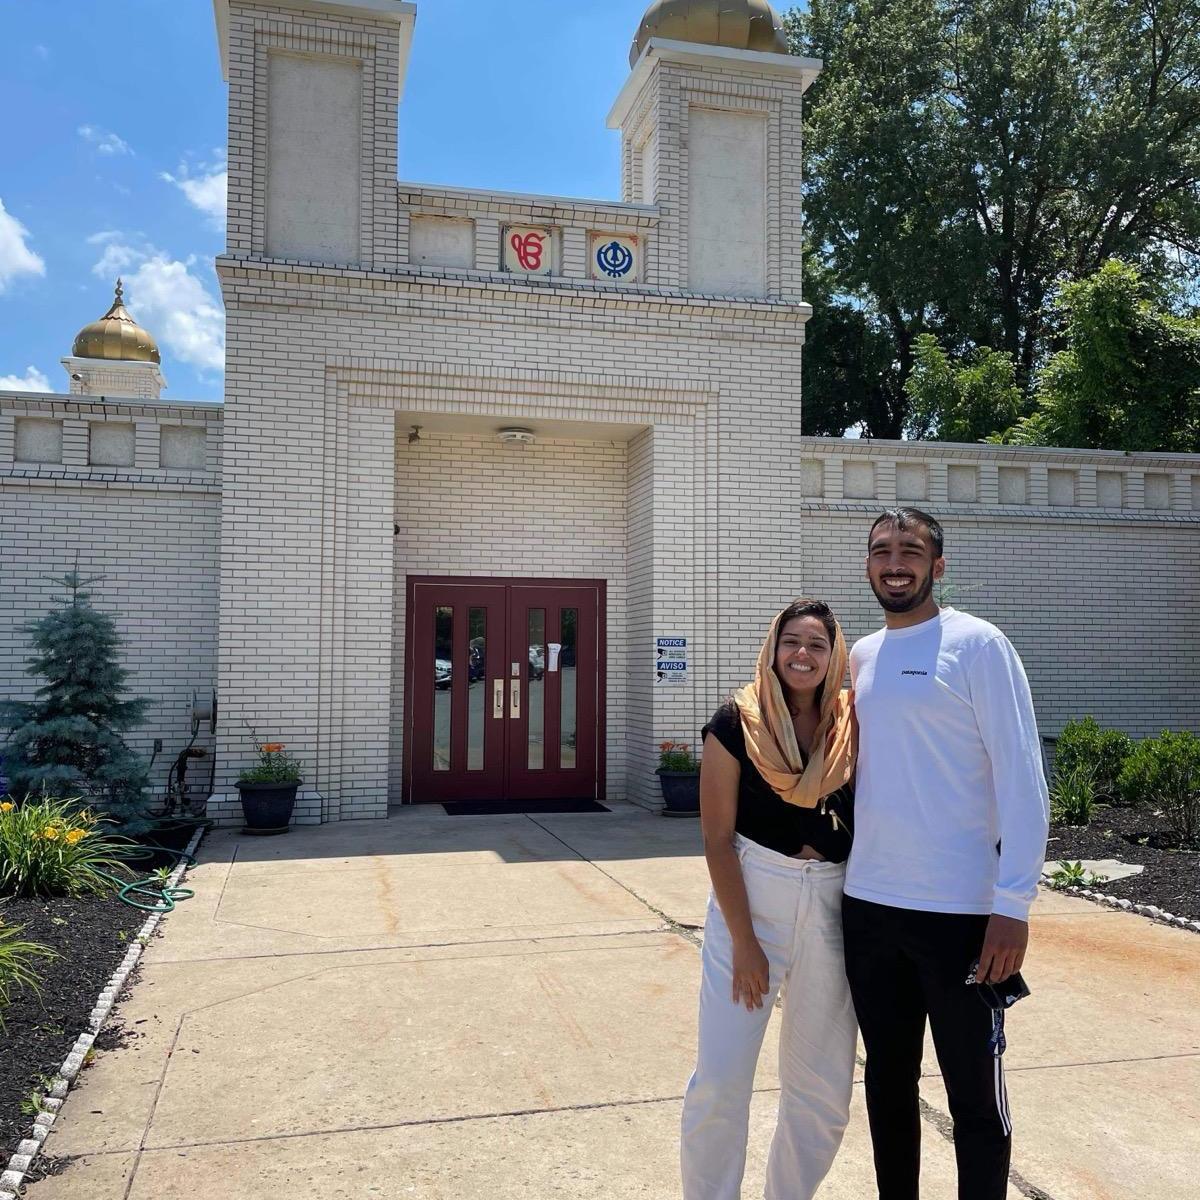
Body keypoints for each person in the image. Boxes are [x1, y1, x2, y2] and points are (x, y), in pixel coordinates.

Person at [843, 508, 1050, 1200]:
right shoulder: (862, 654)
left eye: (910, 549)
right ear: (867, 564)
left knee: (974, 1100)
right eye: (880, 550)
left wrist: (1013, 905)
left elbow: (1023, 779)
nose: (893, 562)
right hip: (869, 908)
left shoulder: (979, 645)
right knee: (888, 1084)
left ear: (939, 564)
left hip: (960, 915)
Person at [681, 598, 858, 1200]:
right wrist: (746, 944)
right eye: (791, 642)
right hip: (753, 901)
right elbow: (716, 839)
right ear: (773, 648)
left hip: (833, 907)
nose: (802, 654)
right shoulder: (736, 722)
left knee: (824, 1093)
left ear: (834, 656)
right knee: (722, 1082)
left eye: (816, 644)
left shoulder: (851, 726)